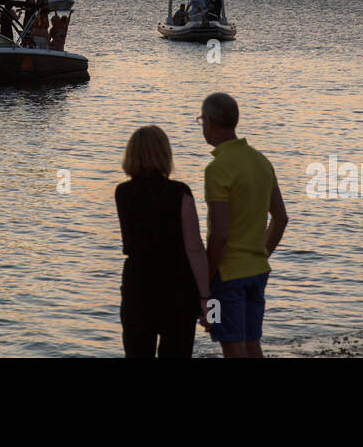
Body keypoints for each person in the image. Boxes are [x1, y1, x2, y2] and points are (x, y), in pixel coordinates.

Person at [199, 92, 289, 357]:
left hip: (228, 274)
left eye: (202, 120)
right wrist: (260, 253)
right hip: (258, 270)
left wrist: (207, 277)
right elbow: (281, 218)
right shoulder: (261, 161)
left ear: (211, 122)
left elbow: (220, 234)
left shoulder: (218, 169)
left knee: (232, 344)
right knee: (252, 343)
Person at [114, 125, 211, 357]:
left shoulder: (122, 193)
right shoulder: (180, 193)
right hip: (177, 284)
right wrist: (207, 297)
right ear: (165, 154)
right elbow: (194, 247)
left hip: (137, 283)